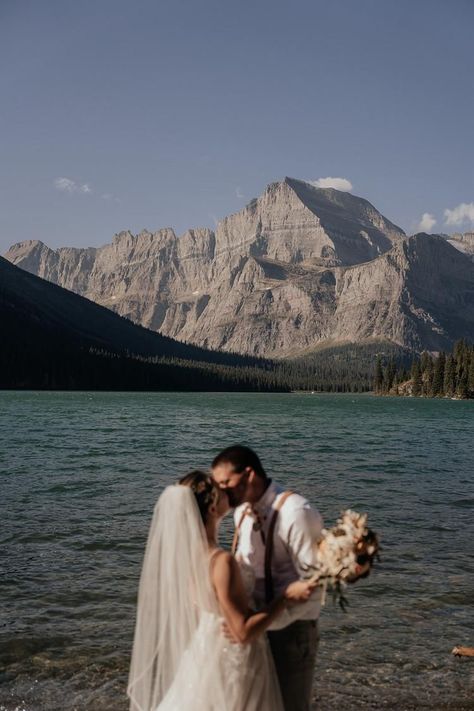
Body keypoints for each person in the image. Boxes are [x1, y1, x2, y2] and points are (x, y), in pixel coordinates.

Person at [127, 471, 317, 711]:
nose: (229, 493)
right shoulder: (220, 562)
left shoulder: (184, 558)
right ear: (213, 508)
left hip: (205, 649)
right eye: (222, 492)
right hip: (233, 658)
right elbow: (242, 632)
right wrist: (286, 596)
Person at [212, 446, 323, 711]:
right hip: (254, 631)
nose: (221, 491)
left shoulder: (295, 512)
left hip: (290, 631)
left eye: (226, 483)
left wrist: (265, 621)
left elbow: (315, 587)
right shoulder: (240, 512)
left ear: (248, 474)